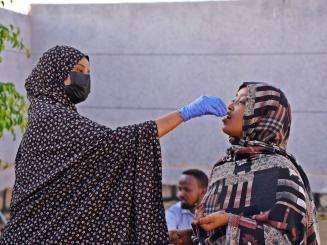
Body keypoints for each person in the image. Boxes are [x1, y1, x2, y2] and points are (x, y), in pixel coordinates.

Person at [0, 45, 227, 244]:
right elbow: (119, 142)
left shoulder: (50, 113)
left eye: (88, 73)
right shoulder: (51, 116)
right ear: (55, 73)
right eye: (79, 71)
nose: (85, 79)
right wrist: (185, 113)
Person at [192, 82, 320, 244]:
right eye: (234, 100)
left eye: (243, 102)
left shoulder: (281, 170)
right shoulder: (221, 168)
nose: (230, 106)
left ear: (263, 116)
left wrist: (231, 221)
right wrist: (190, 237)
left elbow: (288, 238)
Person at [166, 169, 208, 244]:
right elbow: (170, 239)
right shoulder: (173, 212)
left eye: (187, 190)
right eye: (180, 189)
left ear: (203, 192)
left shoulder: (213, 212)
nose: (180, 195)